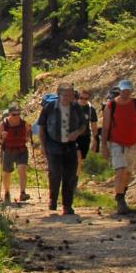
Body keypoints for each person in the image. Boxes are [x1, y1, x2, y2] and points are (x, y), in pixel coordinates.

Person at [36, 82, 92, 216]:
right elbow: (42, 127)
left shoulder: (76, 108)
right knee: (55, 173)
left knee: (70, 176)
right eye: (65, 95)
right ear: (59, 94)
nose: (68, 98)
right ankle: (53, 198)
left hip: (70, 146)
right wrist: (43, 146)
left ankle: (67, 206)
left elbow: (84, 125)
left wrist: (77, 133)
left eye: (71, 95)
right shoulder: (49, 108)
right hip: (53, 145)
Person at [102, 78, 136, 215]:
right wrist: (103, 145)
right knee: (120, 170)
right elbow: (105, 127)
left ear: (131, 91)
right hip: (117, 143)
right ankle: (120, 200)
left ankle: (122, 196)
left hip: (133, 142)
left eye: (128, 91)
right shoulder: (111, 106)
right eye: (123, 91)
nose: (126, 93)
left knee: (128, 172)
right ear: (119, 91)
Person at [0, 103, 31, 203]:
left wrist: (29, 133)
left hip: (21, 150)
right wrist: (2, 137)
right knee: (7, 172)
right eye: (14, 114)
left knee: (22, 169)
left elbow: (27, 138)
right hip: (8, 150)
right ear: (9, 114)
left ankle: (22, 193)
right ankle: (7, 192)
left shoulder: (24, 123)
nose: (16, 117)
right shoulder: (3, 124)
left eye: (18, 114)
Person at [75, 89, 99, 166]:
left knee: (82, 159)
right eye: (81, 98)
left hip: (85, 137)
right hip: (73, 137)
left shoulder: (91, 110)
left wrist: (95, 140)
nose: (83, 100)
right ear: (78, 97)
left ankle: (76, 175)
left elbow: (94, 126)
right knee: (77, 157)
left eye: (86, 98)